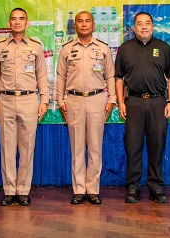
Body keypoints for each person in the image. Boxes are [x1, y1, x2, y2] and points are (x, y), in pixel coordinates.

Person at [115, 12, 170, 204]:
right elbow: (118, 78)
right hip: (133, 102)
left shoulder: (164, 48)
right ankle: (133, 187)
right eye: (140, 24)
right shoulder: (125, 49)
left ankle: (156, 187)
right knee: (133, 145)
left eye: (147, 23)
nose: (144, 27)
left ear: (153, 26)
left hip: (158, 103)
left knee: (157, 145)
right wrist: (121, 102)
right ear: (134, 27)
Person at [0, 8, 49, 207]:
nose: (17, 22)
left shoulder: (36, 47)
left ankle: (23, 191)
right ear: (8, 23)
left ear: (27, 23)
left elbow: (42, 75)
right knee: (7, 148)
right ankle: (9, 191)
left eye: (21, 19)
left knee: (27, 148)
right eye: (13, 19)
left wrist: (44, 100)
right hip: (5, 101)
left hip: (29, 100)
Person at [56, 11, 116, 205]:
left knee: (95, 148)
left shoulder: (103, 48)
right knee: (77, 148)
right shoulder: (67, 49)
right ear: (74, 26)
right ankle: (79, 190)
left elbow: (110, 76)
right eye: (80, 21)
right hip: (73, 101)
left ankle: (93, 190)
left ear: (94, 25)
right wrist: (60, 101)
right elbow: (61, 77)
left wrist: (112, 99)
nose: (83, 24)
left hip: (97, 100)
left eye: (87, 21)